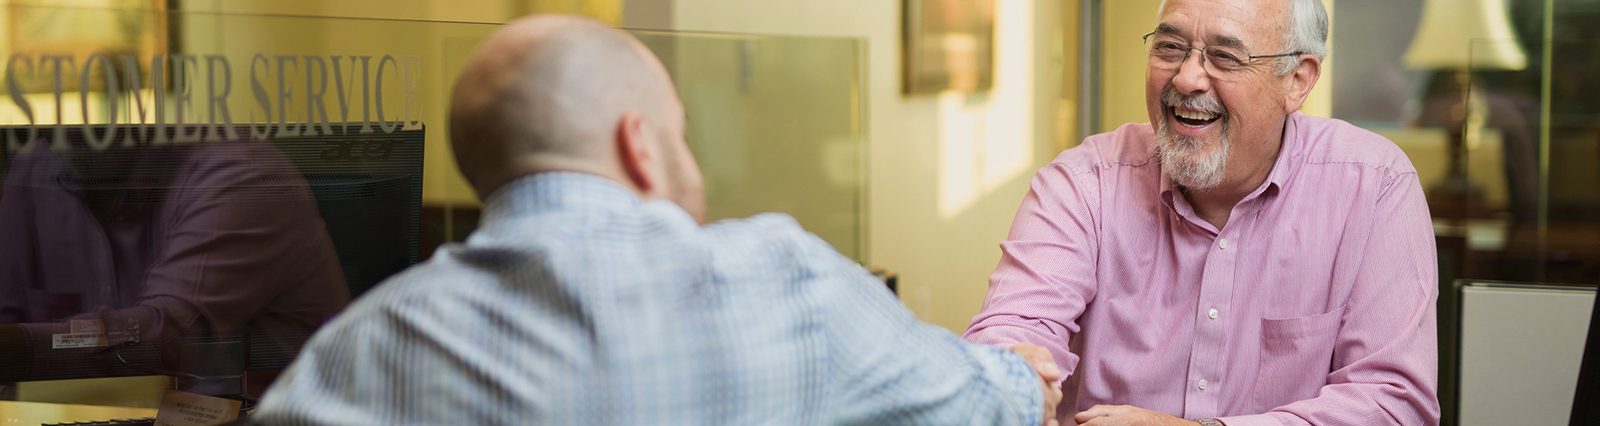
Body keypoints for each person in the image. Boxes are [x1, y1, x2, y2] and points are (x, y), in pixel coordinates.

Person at [255, 15, 1064, 425]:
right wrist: (1027, 371)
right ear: (638, 144)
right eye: (680, 131)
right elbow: (999, 405)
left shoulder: (369, 347)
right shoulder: (782, 283)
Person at [963, 0, 1439, 425]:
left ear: (1298, 81)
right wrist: (1015, 373)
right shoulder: (1083, 183)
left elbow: (1393, 406)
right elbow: (1015, 329)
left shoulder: (1374, 186)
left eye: (1226, 57)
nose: (1187, 78)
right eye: (1170, 47)